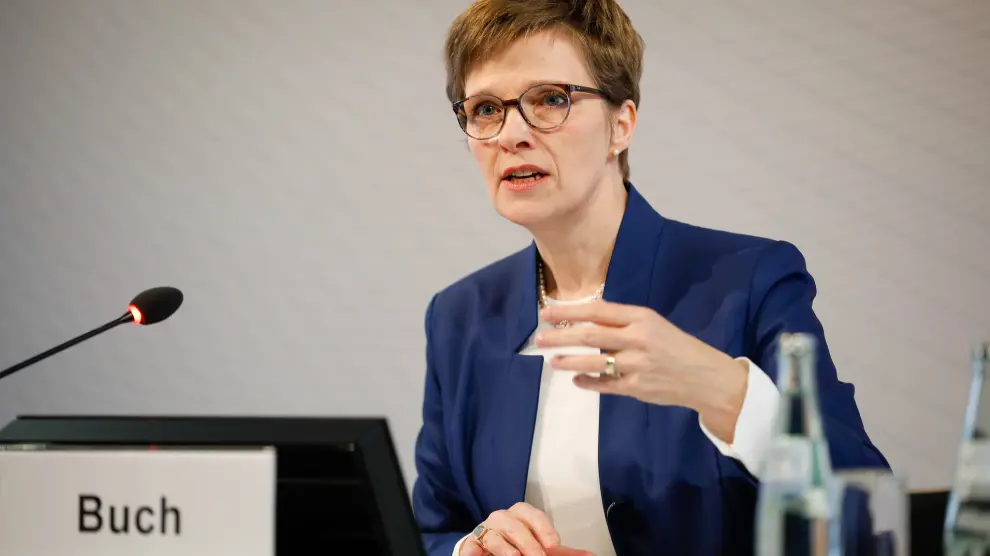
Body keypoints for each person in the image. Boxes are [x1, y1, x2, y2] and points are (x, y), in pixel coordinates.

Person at [411, 1, 889, 555]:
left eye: (550, 99)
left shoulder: (749, 282)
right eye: (486, 108)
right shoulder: (459, 315)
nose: (511, 134)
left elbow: (865, 520)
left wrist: (726, 392)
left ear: (621, 125)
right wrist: (472, 549)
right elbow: (431, 531)